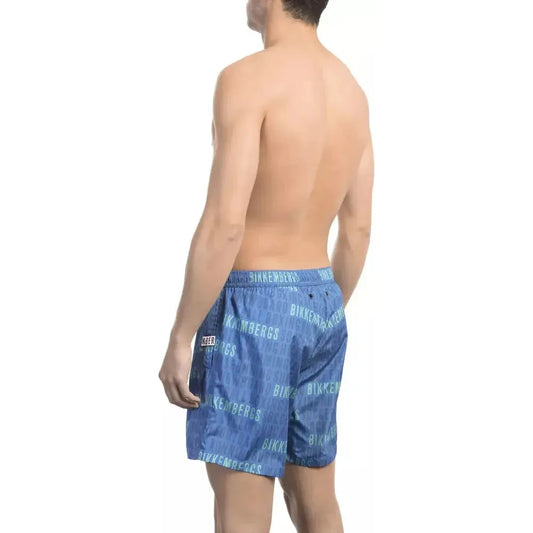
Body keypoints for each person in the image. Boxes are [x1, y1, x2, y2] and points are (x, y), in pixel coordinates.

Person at [158, 0, 374, 531]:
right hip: (323, 302)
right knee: (316, 501)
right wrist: (318, 316)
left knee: (241, 514)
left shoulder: (247, 79)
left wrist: (182, 335)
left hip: (253, 308)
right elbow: (357, 230)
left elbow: (225, 224)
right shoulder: (351, 90)